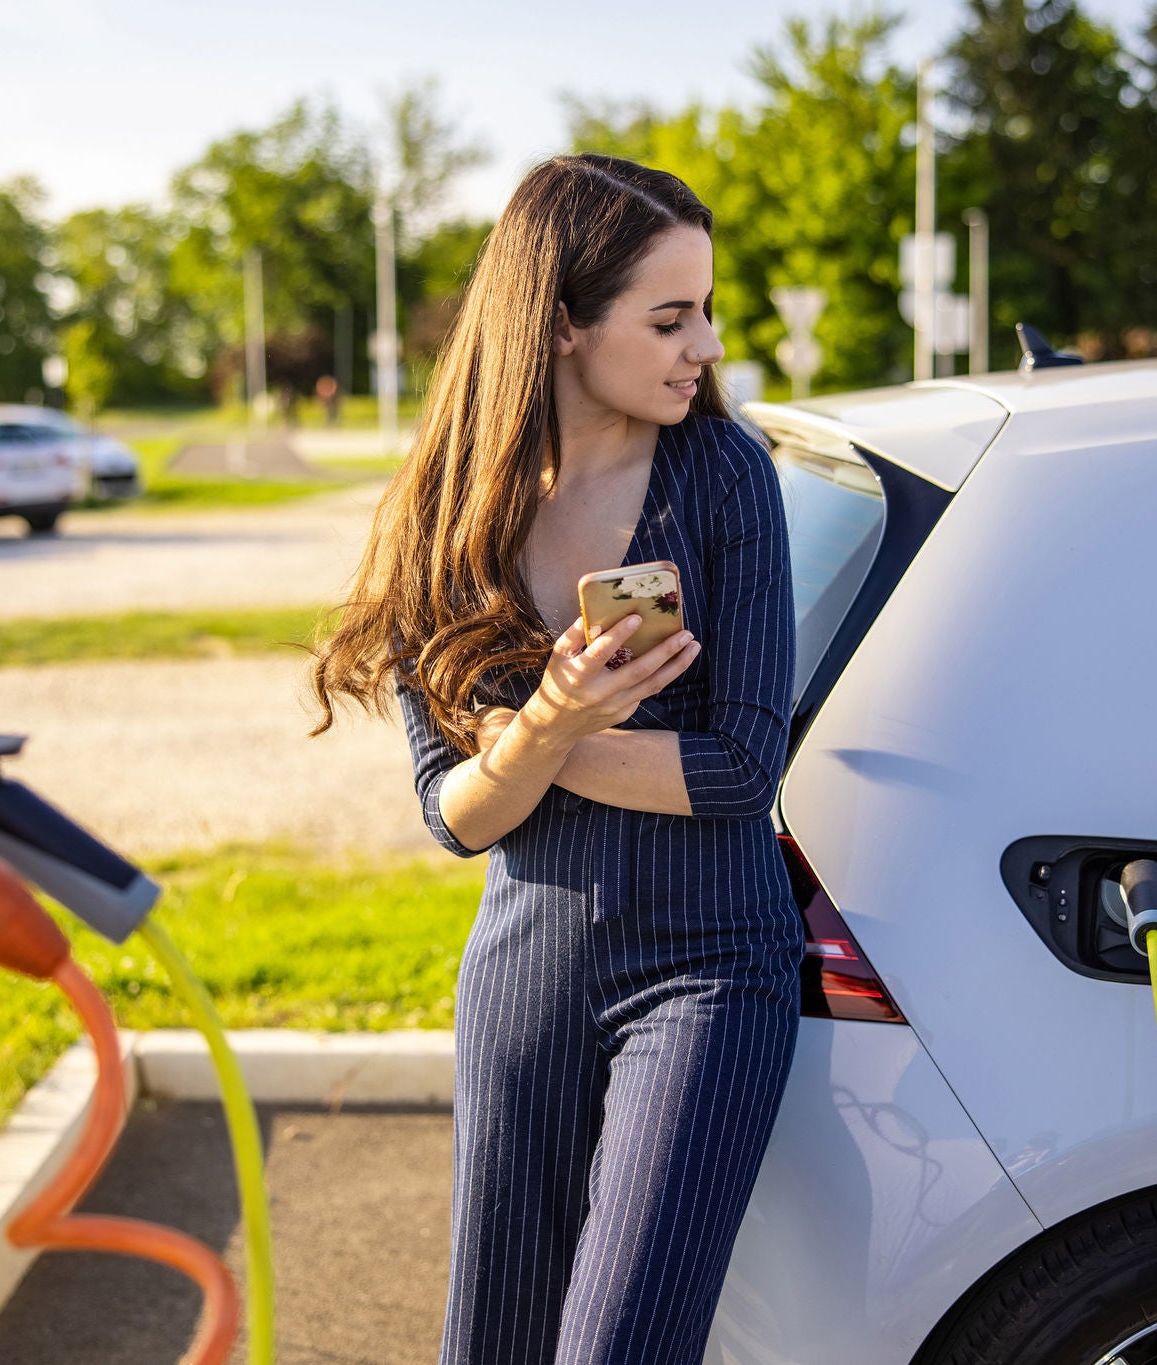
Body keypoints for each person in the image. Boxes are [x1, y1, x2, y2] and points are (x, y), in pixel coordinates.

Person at [308, 152, 801, 1365]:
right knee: (494, 1344)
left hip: (708, 970)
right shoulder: (444, 514)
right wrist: (548, 723)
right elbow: (459, 817)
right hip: (526, 967)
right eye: (670, 316)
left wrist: (540, 738)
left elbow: (741, 770)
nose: (707, 345)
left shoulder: (722, 475)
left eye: (706, 311)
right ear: (564, 323)